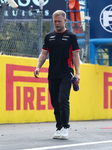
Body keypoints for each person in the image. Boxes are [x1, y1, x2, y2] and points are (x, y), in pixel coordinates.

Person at [34, 10, 80, 139]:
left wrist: (78, 74)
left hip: (67, 73)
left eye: (59, 21)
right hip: (53, 74)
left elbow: (76, 56)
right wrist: (38, 67)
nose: (57, 23)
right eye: (55, 21)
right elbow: (43, 54)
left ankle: (65, 127)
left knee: (63, 99)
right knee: (55, 103)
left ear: (65, 21)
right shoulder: (49, 36)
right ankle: (59, 127)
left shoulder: (71, 36)